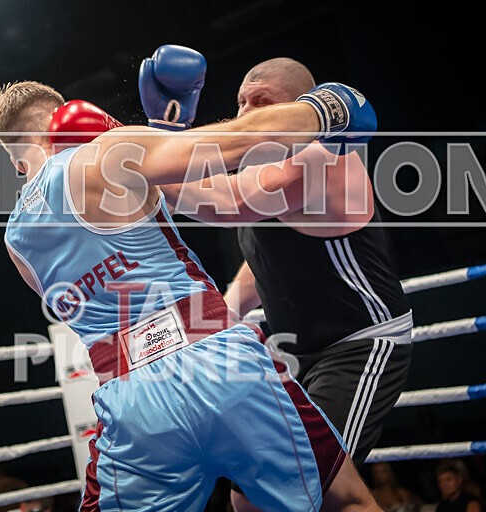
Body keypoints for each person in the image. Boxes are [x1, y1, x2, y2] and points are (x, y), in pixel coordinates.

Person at [0, 47, 380, 511]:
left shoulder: (17, 242)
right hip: (217, 360)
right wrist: (324, 110)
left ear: (16, 163)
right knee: (345, 501)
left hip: (130, 400)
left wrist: (160, 137)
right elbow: (234, 143)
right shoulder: (106, 153)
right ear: (60, 118)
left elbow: (124, 229)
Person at [150, 56, 412, 511]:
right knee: (249, 497)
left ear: (296, 110)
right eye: (242, 103)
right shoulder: (260, 171)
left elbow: (225, 204)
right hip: (293, 351)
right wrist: (225, 315)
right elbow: (264, 257)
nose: (248, 114)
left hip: (361, 344)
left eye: (263, 102)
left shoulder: (324, 157)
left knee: (319, 487)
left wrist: (140, 163)